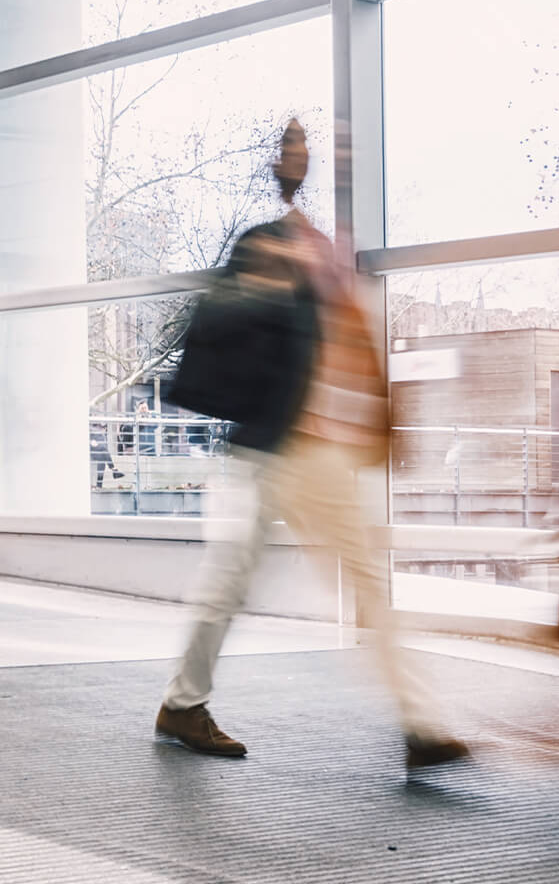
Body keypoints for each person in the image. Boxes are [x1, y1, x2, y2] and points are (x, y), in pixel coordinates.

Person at [155, 119, 467, 769]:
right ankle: (184, 707)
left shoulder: (324, 251)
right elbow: (215, 326)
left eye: (308, 149)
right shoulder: (267, 246)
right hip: (273, 445)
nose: (301, 159)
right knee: (234, 578)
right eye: (291, 148)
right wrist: (266, 286)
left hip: (313, 451)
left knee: (354, 579)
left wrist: (378, 426)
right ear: (278, 165)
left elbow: (348, 354)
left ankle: (419, 723)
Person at [89, 421, 124, 489]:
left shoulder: (102, 435)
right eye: (102, 427)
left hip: (99, 453)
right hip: (92, 452)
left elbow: (103, 446)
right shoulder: (92, 431)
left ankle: (100, 485)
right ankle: (114, 470)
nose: (104, 428)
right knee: (103, 453)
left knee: (102, 457)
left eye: (104, 427)